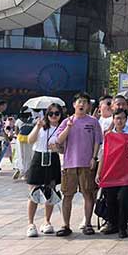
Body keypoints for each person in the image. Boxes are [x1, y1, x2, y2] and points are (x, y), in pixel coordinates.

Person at [52, 92, 103, 237]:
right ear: (74, 104)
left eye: (84, 102)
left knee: (88, 193)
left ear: (88, 105)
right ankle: (65, 225)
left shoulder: (93, 122)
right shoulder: (66, 121)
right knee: (67, 195)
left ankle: (87, 223)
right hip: (69, 163)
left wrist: (94, 157)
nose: (81, 104)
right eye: (79, 102)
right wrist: (68, 127)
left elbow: (97, 141)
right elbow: (59, 140)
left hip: (87, 163)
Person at [97, 108, 128, 238]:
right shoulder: (109, 136)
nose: (119, 121)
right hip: (111, 173)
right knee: (110, 199)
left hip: (127, 174)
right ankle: (113, 224)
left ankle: (123, 227)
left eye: (122, 118)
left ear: (126, 120)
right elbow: (103, 155)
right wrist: (99, 172)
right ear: (113, 120)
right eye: (117, 118)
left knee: (122, 198)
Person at [25, 103, 64, 237]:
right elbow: (30, 140)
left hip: (52, 159)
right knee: (34, 192)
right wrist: (37, 126)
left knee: (50, 190)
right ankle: (30, 223)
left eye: (56, 113)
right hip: (38, 157)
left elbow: (63, 148)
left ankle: (47, 221)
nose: (53, 116)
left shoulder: (61, 128)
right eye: (51, 113)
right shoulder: (41, 126)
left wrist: (57, 148)